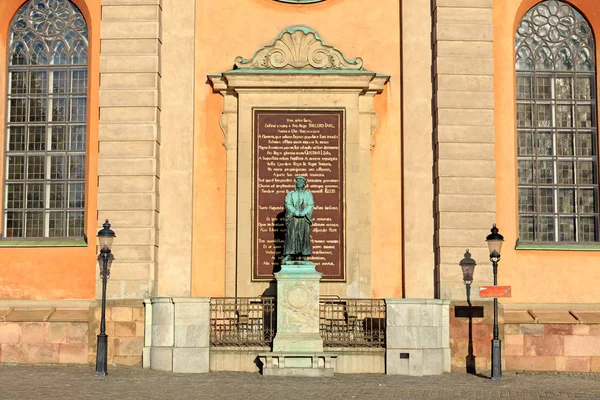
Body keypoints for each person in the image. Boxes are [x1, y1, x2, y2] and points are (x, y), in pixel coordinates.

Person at [282, 176, 313, 262]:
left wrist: (304, 212)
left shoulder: (308, 194)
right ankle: (289, 254)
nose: (298, 183)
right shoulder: (290, 194)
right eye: (297, 181)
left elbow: (310, 205)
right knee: (291, 236)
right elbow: (288, 204)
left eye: (301, 181)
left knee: (304, 236)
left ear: (304, 183)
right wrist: (294, 211)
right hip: (293, 218)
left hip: (304, 218)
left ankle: (304, 255)